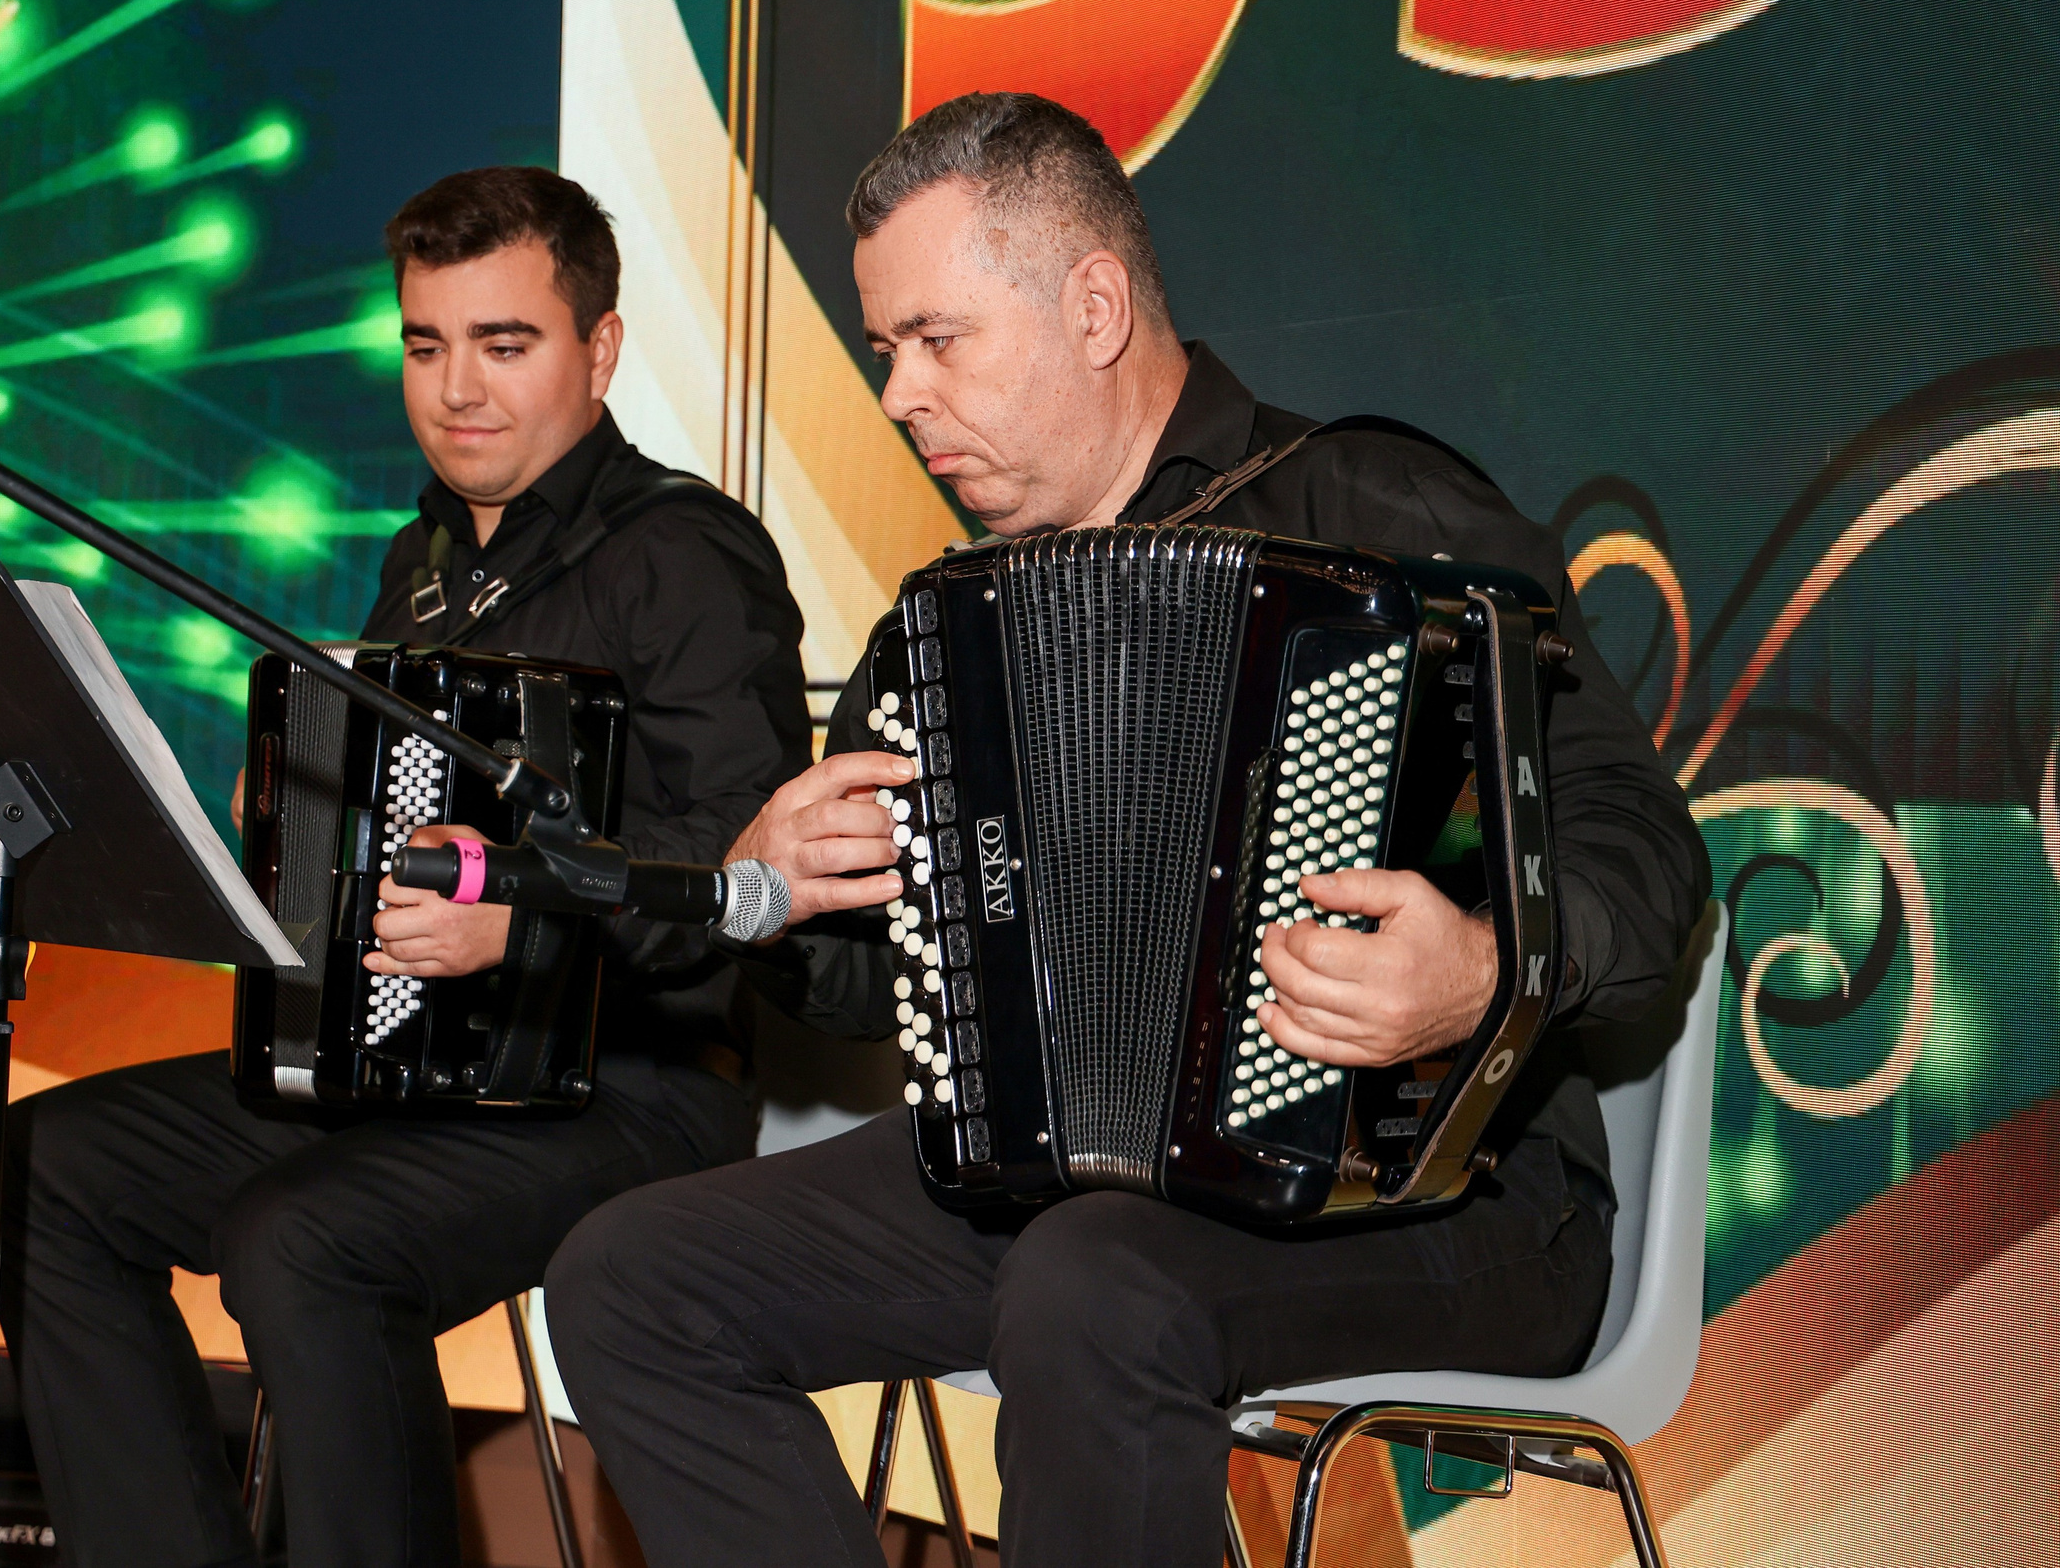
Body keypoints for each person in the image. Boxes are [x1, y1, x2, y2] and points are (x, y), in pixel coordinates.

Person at [543, 93, 1710, 1566]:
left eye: (935, 340)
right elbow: (870, 993)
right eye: (884, 350)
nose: (899, 394)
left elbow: (1644, 854)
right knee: (631, 1275)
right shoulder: (949, 629)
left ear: (1093, 306)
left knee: (1092, 1284)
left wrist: (1480, 966)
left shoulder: (1374, 505)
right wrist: (777, 893)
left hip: (1448, 1187)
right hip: (1060, 1180)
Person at [0, 166, 809, 1568]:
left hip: (635, 1087)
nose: (456, 390)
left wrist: (535, 930)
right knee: (37, 1166)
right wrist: (296, 821)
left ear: (599, 350)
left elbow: (751, 863)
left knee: (302, 1244)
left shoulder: (683, 556)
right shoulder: (420, 560)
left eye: (506, 344)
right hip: (416, 1070)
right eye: (427, 345)